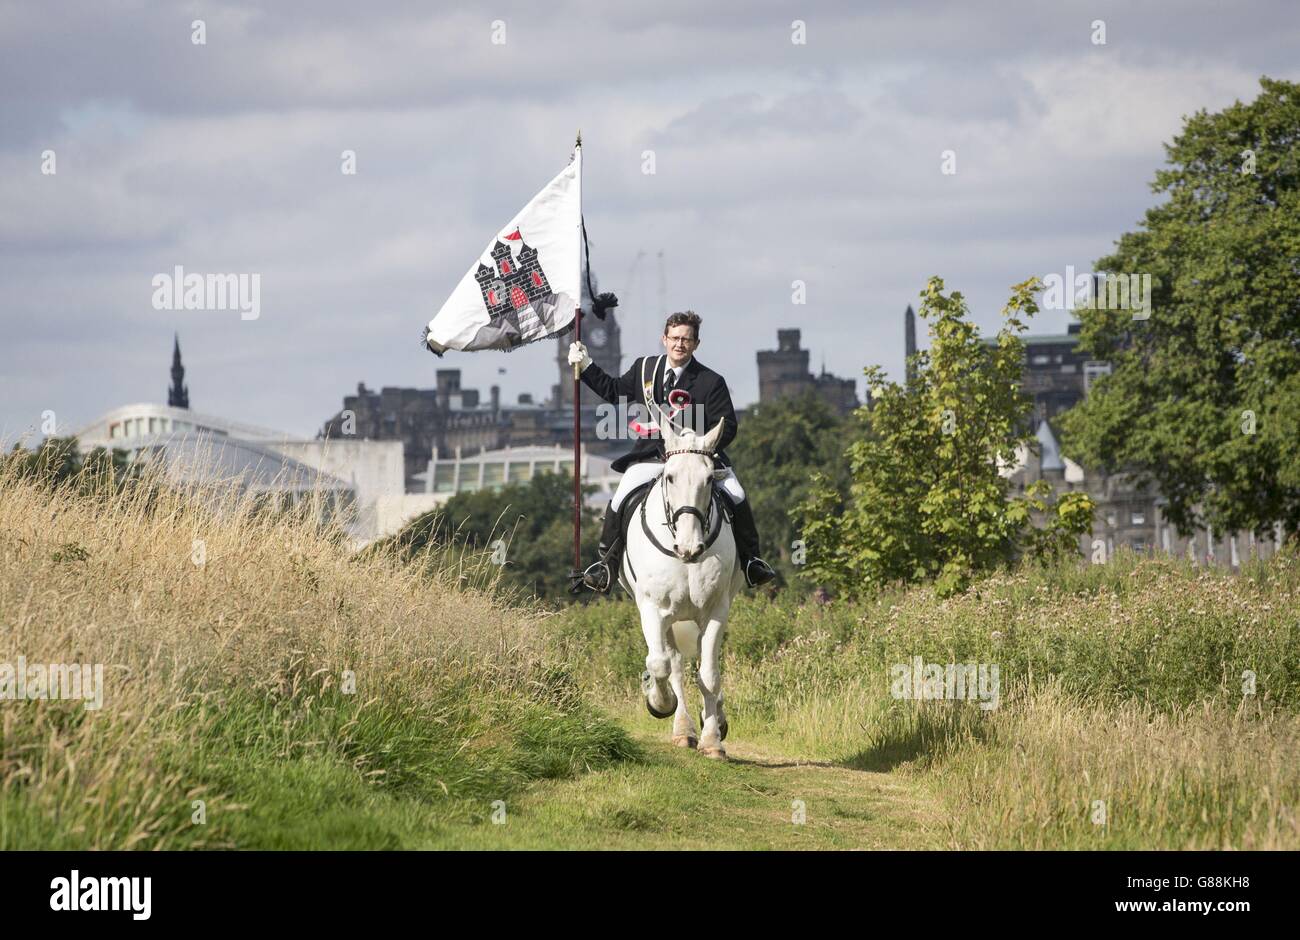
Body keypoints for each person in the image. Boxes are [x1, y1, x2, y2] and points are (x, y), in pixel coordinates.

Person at [568, 310, 777, 593]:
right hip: (651, 456)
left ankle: (752, 561)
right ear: (664, 339)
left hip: (696, 460)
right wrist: (587, 364)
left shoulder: (710, 381)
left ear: (696, 344)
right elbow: (613, 391)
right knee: (620, 496)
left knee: (737, 494)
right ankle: (606, 564)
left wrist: (698, 446)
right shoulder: (645, 370)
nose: (680, 344)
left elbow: (728, 427)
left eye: (687, 340)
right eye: (675, 338)